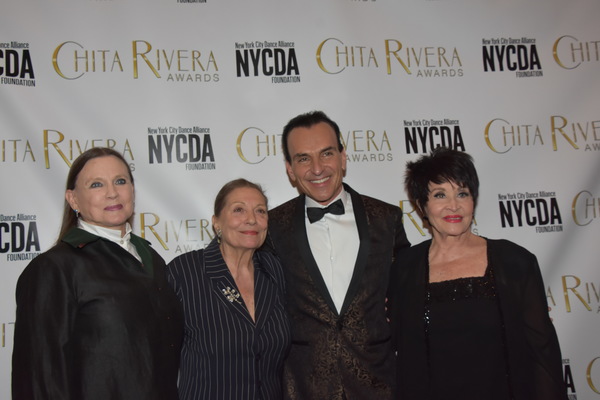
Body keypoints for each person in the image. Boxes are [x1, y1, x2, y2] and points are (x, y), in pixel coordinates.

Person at [387, 147, 567, 400]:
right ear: (422, 206)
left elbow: (543, 354)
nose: (454, 206)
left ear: (474, 199)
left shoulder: (515, 262)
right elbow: (390, 346)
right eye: (440, 195)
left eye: (462, 193)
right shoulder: (404, 269)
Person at [12, 147, 183, 400]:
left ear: (133, 191)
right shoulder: (54, 268)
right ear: (73, 199)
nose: (112, 192)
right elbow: (40, 377)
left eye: (121, 181)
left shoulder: (152, 259)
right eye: (96, 185)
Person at [266, 111, 410, 399]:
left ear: (343, 157)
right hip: (302, 387)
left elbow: (407, 288)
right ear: (290, 169)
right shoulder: (271, 227)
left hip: (378, 384)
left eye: (327, 153)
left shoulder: (386, 218)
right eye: (303, 158)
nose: (317, 168)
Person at [167, 178, 291, 400]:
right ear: (216, 222)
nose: (252, 219)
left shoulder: (274, 270)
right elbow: (158, 356)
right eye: (239, 210)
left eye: (260, 211)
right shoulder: (185, 272)